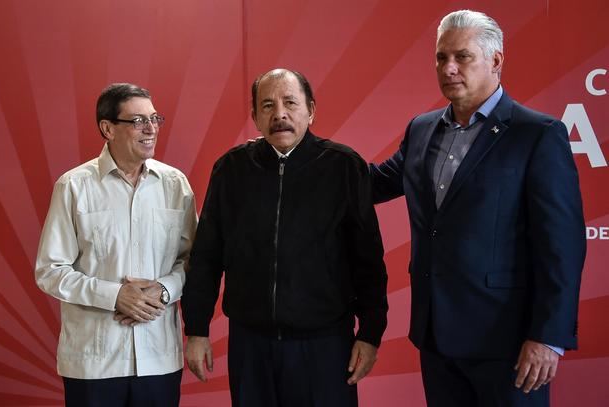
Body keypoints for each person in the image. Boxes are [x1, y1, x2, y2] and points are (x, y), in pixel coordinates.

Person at [370, 9, 586, 407]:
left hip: (510, 346)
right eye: (441, 57)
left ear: (496, 60)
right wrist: (301, 152)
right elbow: (374, 183)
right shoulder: (421, 128)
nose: (448, 68)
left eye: (462, 56)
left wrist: (548, 337)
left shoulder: (537, 134)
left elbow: (562, 247)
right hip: (436, 338)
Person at [181, 68, 388, 406]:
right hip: (250, 344)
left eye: (290, 102)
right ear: (255, 117)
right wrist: (197, 329)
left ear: (311, 110)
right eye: (267, 106)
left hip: (325, 344)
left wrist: (370, 333)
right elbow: (206, 256)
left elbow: (367, 261)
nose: (280, 114)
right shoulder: (231, 170)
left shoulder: (344, 167)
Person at [35, 83, 197, 406]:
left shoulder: (175, 185)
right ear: (107, 128)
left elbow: (193, 261)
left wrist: (164, 289)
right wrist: (114, 296)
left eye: (154, 119)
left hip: (158, 357)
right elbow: (50, 271)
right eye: (137, 121)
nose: (150, 129)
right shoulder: (73, 186)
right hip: (93, 361)